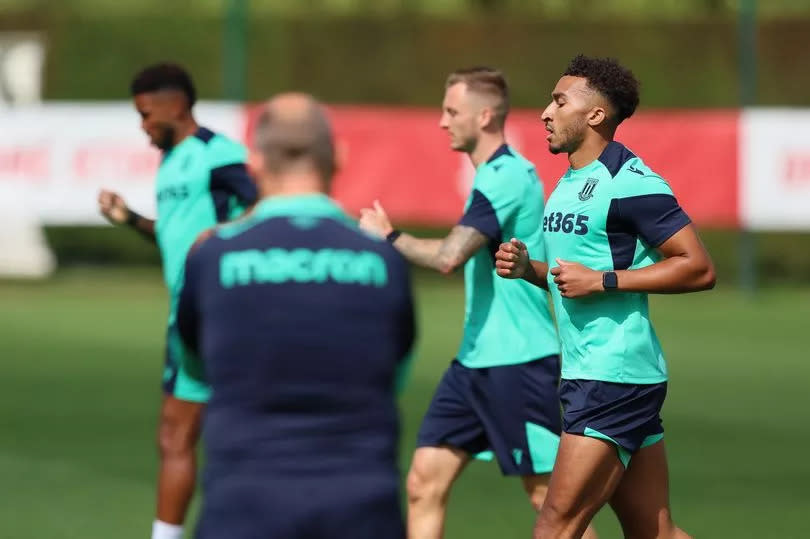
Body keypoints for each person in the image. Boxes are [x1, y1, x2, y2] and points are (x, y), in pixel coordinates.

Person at [359, 67, 594, 539]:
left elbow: (449, 256)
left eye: (451, 111)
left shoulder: (507, 176)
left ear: (484, 116)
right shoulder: (492, 175)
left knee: (550, 504)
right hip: (474, 363)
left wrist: (389, 237)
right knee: (425, 482)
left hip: (520, 363)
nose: (442, 122)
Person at [175, 93, 416, 539]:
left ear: (255, 161)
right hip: (361, 512)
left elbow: (196, 367)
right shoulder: (383, 261)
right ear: (339, 158)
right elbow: (393, 375)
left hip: (242, 509)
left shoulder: (211, 258)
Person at [495, 54, 716, 538]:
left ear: (595, 114)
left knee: (554, 525)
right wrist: (529, 269)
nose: (544, 113)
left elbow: (697, 267)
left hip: (610, 377)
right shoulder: (571, 182)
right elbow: (574, 277)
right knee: (653, 531)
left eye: (559, 101)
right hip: (598, 373)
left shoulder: (631, 182)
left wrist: (604, 280)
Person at [97, 63, 258, 539]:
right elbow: (176, 235)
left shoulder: (218, 153)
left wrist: (221, 237)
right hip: (184, 317)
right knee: (175, 432)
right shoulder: (171, 162)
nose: (143, 125)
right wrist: (130, 219)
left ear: (177, 105)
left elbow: (262, 207)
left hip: (228, 314)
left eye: (147, 114)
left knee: (238, 435)